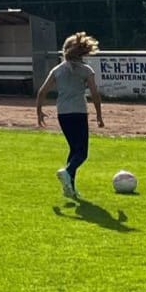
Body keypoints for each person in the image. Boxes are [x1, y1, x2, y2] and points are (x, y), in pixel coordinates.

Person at [36, 31, 105, 198]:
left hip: (63, 113)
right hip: (79, 112)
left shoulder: (57, 70)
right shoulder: (86, 70)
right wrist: (99, 115)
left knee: (74, 150)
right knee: (82, 153)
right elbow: (95, 94)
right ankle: (67, 172)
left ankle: (70, 188)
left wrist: (39, 112)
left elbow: (42, 92)